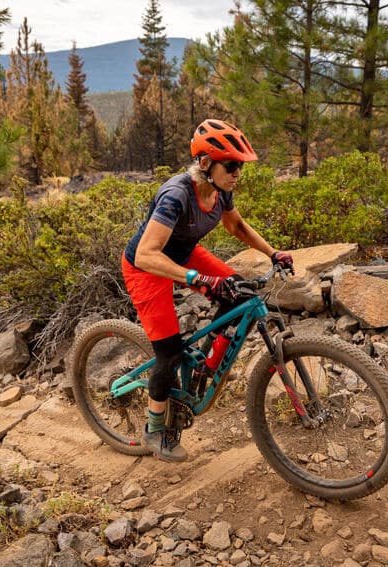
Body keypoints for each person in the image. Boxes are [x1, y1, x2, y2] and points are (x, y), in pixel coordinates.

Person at [121, 118, 295, 462]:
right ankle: (155, 429)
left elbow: (236, 225)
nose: (237, 173)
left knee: (240, 292)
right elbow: (147, 254)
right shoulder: (175, 196)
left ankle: (203, 367)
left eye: (239, 167)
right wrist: (195, 279)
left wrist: (273, 252)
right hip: (146, 267)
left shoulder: (219, 189)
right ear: (205, 163)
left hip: (184, 254)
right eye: (231, 165)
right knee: (168, 354)